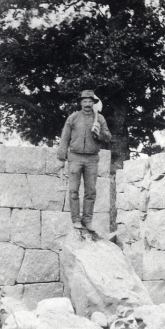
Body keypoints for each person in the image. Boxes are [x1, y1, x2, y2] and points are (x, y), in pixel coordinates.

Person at [56, 89, 111, 232]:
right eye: (84, 101)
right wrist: (61, 158)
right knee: (73, 190)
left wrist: (99, 133)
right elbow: (65, 138)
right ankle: (76, 220)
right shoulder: (73, 118)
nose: (87, 104)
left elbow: (108, 137)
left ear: (94, 103)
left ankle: (87, 220)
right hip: (75, 158)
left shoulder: (99, 118)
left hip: (92, 159)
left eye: (90, 101)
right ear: (80, 103)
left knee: (91, 191)